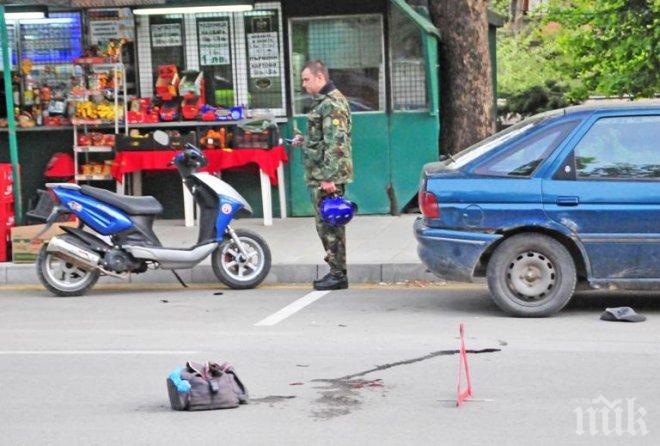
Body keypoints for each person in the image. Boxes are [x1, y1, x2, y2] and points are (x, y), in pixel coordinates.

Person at [292, 60, 353, 290]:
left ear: (320, 78)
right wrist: (305, 141)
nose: (304, 85)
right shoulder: (323, 103)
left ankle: (338, 274)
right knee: (325, 225)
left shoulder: (332, 104)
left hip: (327, 178)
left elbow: (336, 143)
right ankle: (335, 270)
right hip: (321, 175)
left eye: (307, 79)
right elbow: (322, 140)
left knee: (331, 226)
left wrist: (330, 178)